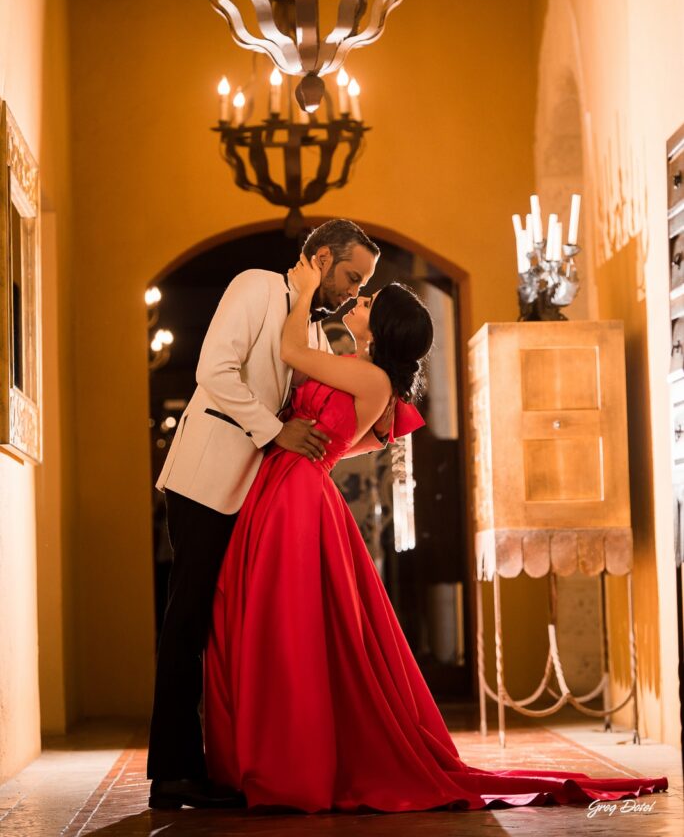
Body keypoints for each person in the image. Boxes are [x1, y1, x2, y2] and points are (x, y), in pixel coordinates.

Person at [203, 254, 668, 813]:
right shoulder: (359, 370)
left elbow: (290, 354)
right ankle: (270, 752)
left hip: (298, 496)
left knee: (288, 619)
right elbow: (324, 409)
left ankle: (285, 758)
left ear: (383, 327)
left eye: (370, 302)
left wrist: (303, 290)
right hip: (291, 486)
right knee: (275, 614)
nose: (359, 300)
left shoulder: (370, 378)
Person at [148, 220, 382, 811]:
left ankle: (231, 763)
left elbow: (322, 393)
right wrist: (276, 432)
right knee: (189, 619)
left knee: (227, 630)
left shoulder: (316, 329)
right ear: (322, 258)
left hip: (256, 495)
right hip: (206, 477)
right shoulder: (254, 286)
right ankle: (172, 771)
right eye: (352, 276)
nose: (353, 292)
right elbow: (213, 374)